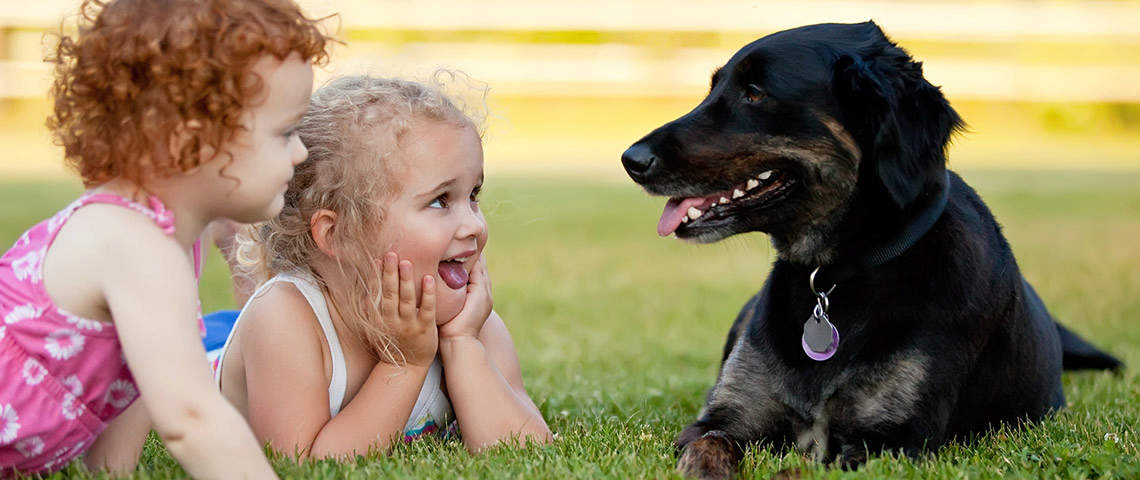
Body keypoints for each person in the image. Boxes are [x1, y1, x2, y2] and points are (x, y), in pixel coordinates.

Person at [0, 0, 332, 477]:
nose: (299, 151)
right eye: (285, 132)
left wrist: (113, 470)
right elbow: (192, 417)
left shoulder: (169, 235)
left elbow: (135, 373)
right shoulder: (134, 244)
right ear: (189, 142)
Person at [213, 75, 552, 459]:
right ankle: (235, 240)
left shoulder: (469, 320)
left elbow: (528, 455)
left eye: (472, 195)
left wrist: (462, 345)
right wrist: (404, 364)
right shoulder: (285, 320)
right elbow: (303, 465)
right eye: (441, 200)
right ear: (337, 234)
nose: (475, 224)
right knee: (223, 327)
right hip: (219, 350)